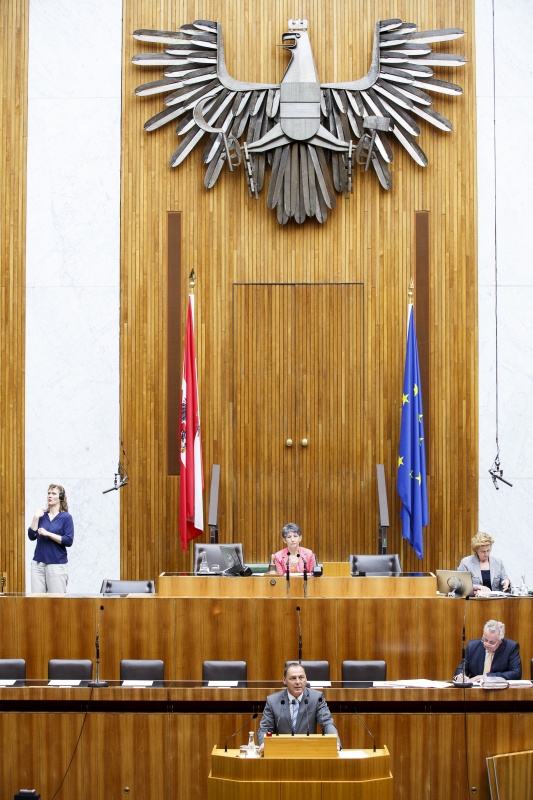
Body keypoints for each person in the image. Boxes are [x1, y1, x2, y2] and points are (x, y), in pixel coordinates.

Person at [257, 662, 340, 750]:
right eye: (293, 678)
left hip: (309, 750)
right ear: (284, 680)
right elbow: (265, 728)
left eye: (301, 677)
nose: (298, 682)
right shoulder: (273, 701)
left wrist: (335, 742)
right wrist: (263, 744)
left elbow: (327, 723)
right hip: (282, 751)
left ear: (306, 679)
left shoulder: (316, 698)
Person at [28, 484, 74, 593]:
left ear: (61, 497)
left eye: (53, 493)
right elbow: (31, 536)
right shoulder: (41, 516)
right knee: (37, 603)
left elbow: (68, 540)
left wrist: (48, 534)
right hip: (38, 565)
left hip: (56, 565)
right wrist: (35, 518)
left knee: (56, 604)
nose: (50, 496)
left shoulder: (66, 517)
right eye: (49, 493)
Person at [454, 620, 521, 683]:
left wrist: (487, 676)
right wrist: (460, 676)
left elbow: (516, 673)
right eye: (485, 639)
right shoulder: (472, 646)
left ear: (501, 640)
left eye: (492, 642)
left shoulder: (511, 647)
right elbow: (461, 668)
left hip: (499, 692)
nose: (487, 644)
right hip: (475, 691)